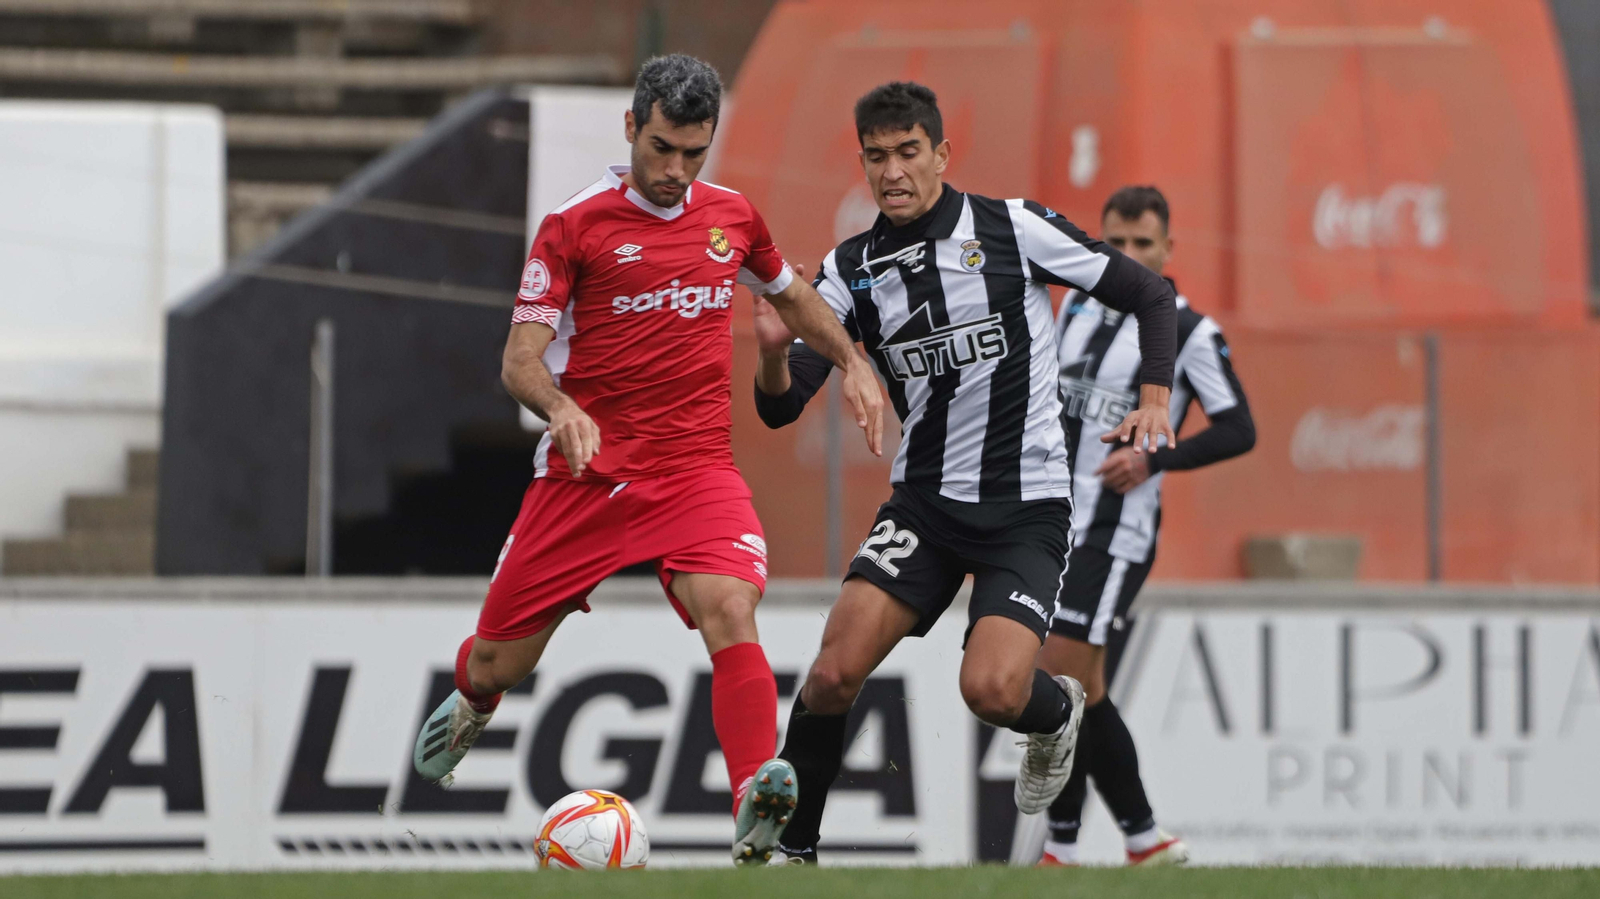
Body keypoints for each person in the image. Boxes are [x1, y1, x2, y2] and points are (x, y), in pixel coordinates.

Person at [410, 54, 884, 867]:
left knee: (731, 607)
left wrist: (853, 361)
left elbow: (789, 294)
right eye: (662, 148)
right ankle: (474, 697)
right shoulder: (574, 224)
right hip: (585, 476)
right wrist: (562, 409)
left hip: (695, 467)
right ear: (631, 127)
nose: (675, 171)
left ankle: (751, 803)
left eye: (694, 154)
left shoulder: (732, 216)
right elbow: (519, 359)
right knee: (499, 660)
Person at [750, 82, 1180, 865]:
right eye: (876, 157)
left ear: (941, 155)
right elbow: (781, 410)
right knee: (832, 672)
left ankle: (1056, 714)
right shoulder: (851, 269)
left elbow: (1151, 292)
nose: (893, 172)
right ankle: (791, 852)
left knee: (990, 690)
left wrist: (1154, 399)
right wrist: (776, 349)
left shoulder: (1009, 227)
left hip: (1027, 509)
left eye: (908, 152)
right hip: (925, 508)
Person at [1035, 185, 1256, 867]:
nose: (1129, 255)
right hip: (1051, 524)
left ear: (1167, 249)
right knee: (1085, 690)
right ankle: (1143, 839)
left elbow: (1240, 427)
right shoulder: (1076, 307)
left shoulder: (1189, 331)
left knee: (1059, 678)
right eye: (1116, 243)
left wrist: (1154, 455)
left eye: (1142, 244)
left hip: (1114, 533)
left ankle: (1059, 849)